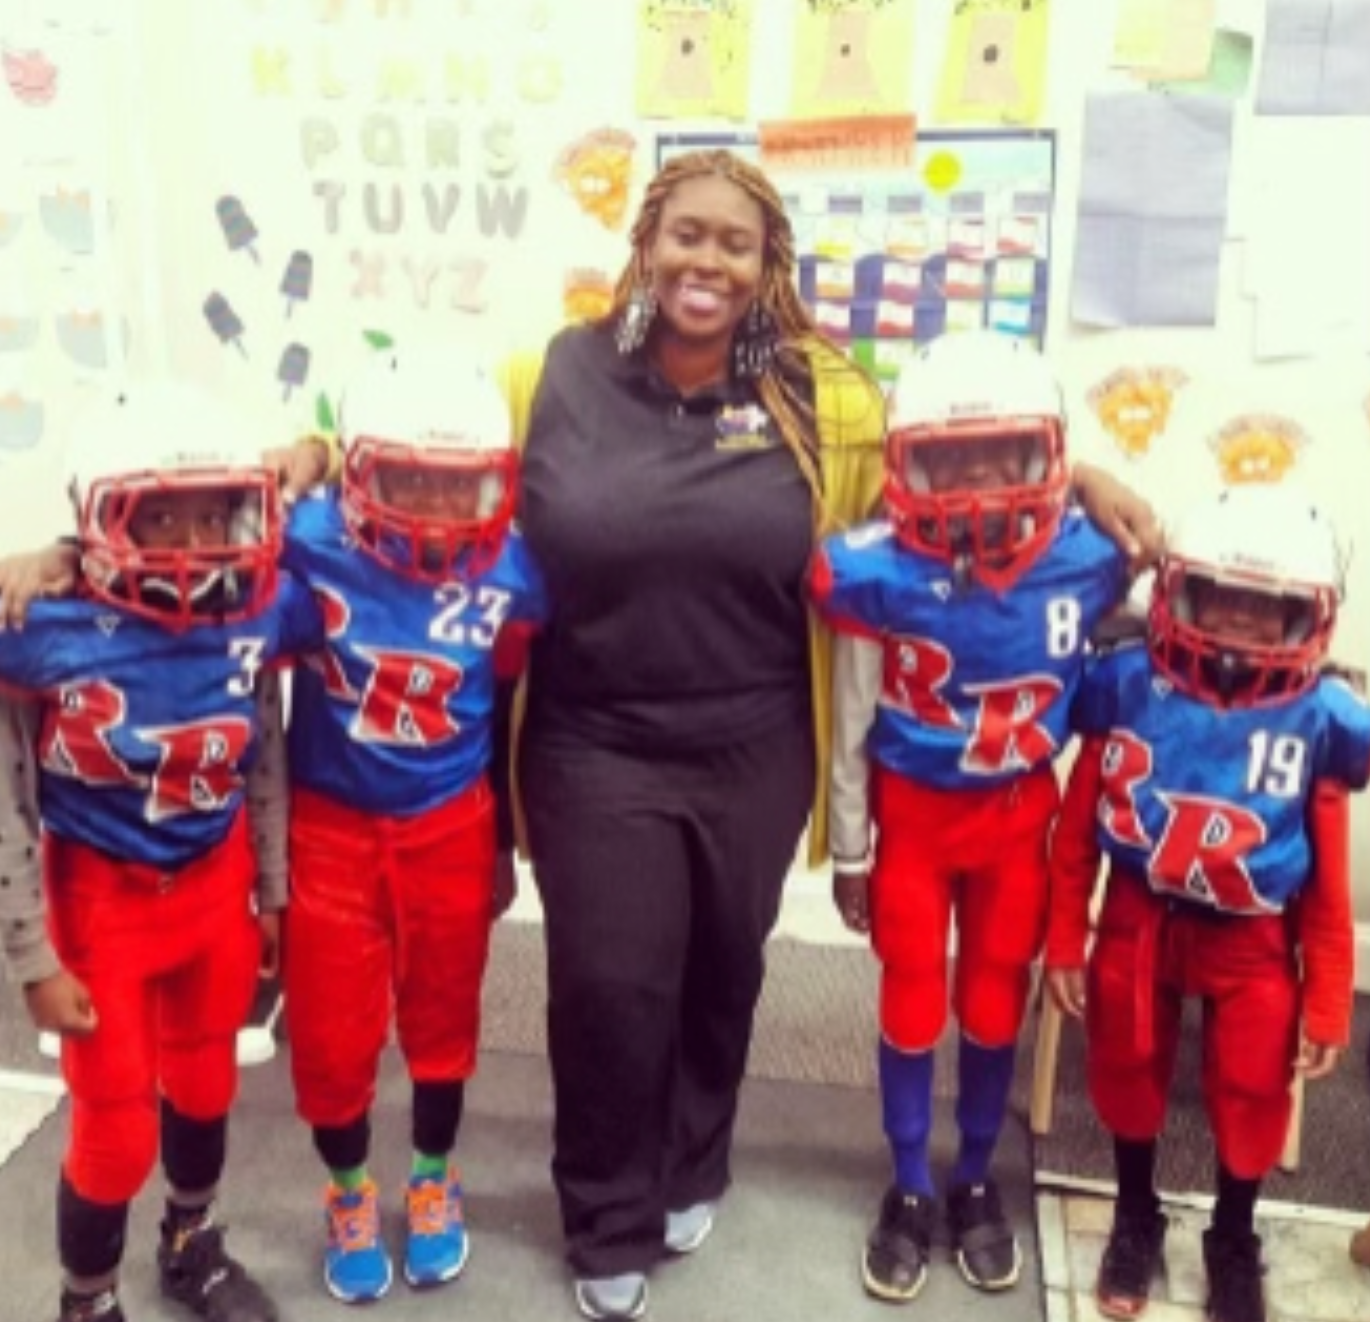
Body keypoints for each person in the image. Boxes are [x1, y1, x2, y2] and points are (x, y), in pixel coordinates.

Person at [79, 150, 1158, 1322]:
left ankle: (691, 1164)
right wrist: (312, 452)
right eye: (686, 233)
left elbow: (962, 445)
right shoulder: (550, 371)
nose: (708, 260)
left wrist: (1087, 478)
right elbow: (424, 439)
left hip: (755, 738)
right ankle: (603, 1209)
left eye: (735, 242)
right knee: (610, 984)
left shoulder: (820, 393)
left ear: (767, 264)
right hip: (592, 738)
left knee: (720, 974)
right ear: (645, 243)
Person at [809, 330, 1136, 1305]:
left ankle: (976, 1173)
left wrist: (1100, 485)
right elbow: (853, 717)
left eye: (1005, 454)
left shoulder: (1089, 557)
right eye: (951, 458)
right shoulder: (876, 569)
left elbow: (1170, 583)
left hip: (1018, 819)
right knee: (911, 996)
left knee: (994, 998)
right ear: (908, 464)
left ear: (1049, 453)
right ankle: (911, 1177)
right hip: (913, 820)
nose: (981, 481)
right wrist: (850, 848)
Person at [0, 381, 323, 1322]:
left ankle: (191, 1243)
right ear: (99, 519)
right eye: (161, 517)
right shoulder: (39, 627)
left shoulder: (258, 609)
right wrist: (30, 954)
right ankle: (86, 1300)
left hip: (215, 883)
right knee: (114, 1128)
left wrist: (271, 885)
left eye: (213, 515)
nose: (193, 544)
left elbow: (262, 743)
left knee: (207, 1079)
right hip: (99, 895)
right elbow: (8, 803)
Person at [1044, 483, 1370, 1322]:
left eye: (1268, 607)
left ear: (1307, 616)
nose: (1240, 622)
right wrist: (1065, 935)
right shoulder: (1127, 682)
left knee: (1256, 1084)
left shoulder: (1322, 716)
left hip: (1252, 932)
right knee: (1124, 1061)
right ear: (1179, 589)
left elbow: (1327, 876)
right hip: (1140, 909)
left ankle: (1232, 1233)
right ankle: (1136, 1211)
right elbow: (1078, 826)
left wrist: (1329, 994)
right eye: (1220, 595)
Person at [277, 346, 546, 1303]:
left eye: (457, 483)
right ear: (358, 470)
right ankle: (350, 1190)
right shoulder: (308, 537)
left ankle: (433, 1176)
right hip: (331, 827)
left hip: (450, 820)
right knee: (329, 1036)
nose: (435, 506)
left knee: (443, 1021)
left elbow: (505, 693)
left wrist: (505, 835)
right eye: (409, 479)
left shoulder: (512, 566)